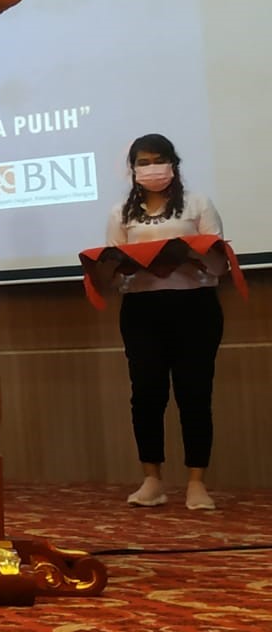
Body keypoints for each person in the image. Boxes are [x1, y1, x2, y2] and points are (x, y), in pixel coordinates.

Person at [107, 133, 226, 512]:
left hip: (195, 306)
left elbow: (219, 261)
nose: (151, 169)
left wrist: (187, 257)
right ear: (133, 169)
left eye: (158, 160)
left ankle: (196, 483)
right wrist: (127, 267)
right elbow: (112, 267)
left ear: (173, 163)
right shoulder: (121, 213)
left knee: (194, 394)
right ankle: (152, 480)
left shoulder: (197, 203)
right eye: (143, 163)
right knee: (146, 394)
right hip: (142, 309)